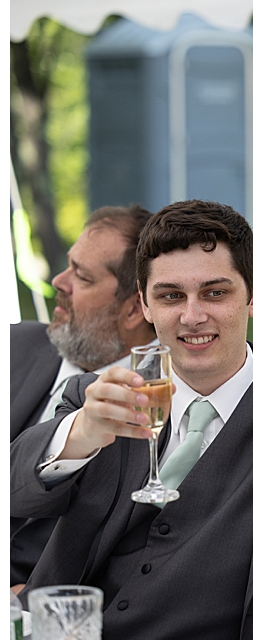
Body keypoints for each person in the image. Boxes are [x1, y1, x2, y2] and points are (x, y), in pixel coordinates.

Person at [11, 200, 253, 640]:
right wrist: (81, 433)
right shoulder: (99, 397)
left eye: (215, 293)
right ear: (143, 303)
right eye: (171, 296)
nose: (192, 315)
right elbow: (14, 491)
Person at [10, 204, 157, 590]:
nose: (60, 281)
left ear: (133, 309)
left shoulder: (159, 404)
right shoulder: (16, 347)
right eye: (69, 265)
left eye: (83, 276)